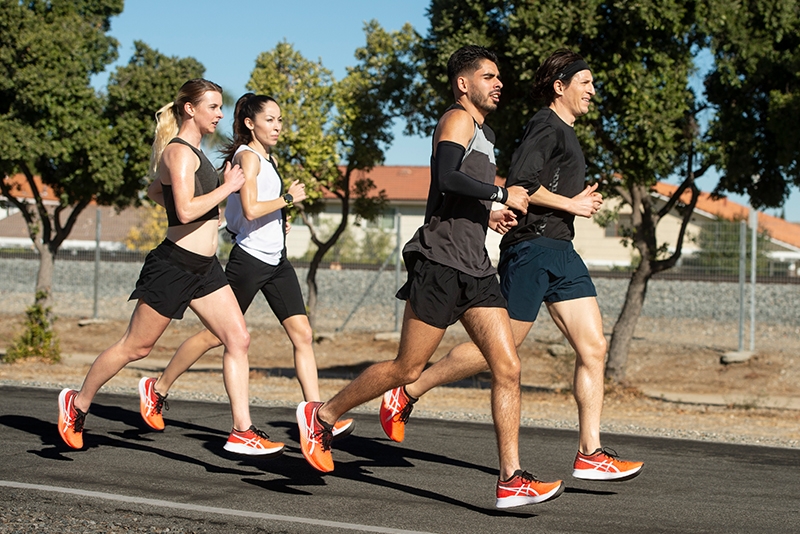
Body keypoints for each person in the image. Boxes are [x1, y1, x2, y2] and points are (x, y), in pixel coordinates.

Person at [295, 45, 565, 510]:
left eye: (499, 77)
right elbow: (446, 177)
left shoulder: (486, 132)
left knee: (508, 367)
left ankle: (510, 478)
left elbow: (466, 192)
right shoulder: (456, 119)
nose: (499, 83)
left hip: (475, 264)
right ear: (464, 83)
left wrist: (491, 212)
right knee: (407, 368)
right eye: (488, 76)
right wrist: (502, 190)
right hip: (439, 261)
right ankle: (322, 416)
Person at [379, 49, 644, 482]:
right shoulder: (546, 124)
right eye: (586, 83)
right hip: (533, 249)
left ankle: (590, 452)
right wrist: (571, 204)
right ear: (560, 87)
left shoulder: (569, 133)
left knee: (594, 347)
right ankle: (408, 391)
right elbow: (521, 184)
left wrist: (569, 208)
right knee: (503, 351)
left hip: (562, 249)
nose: (593, 91)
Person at [57, 79, 283, 456]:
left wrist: (211, 197)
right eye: (212, 106)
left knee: (238, 339)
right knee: (136, 347)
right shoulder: (179, 153)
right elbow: (184, 210)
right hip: (174, 266)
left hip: (205, 268)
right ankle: (77, 404)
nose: (220, 114)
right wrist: (227, 188)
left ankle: (242, 430)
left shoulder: (194, 152)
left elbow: (156, 190)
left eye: (220, 107)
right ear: (190, 109)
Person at [137, 93, 353, 447]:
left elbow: (246, 213)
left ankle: (317, 414)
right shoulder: (247, 158)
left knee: (303, 335)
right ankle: (157, 387)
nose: (278, 126)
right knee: (215, 336)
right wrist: (288, 201)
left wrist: (279, 220)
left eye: (280, 120)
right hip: (250, 261)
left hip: (276, 260)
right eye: (270, 119)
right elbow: (250, 208)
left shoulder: (268, 158)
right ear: (250, 123)